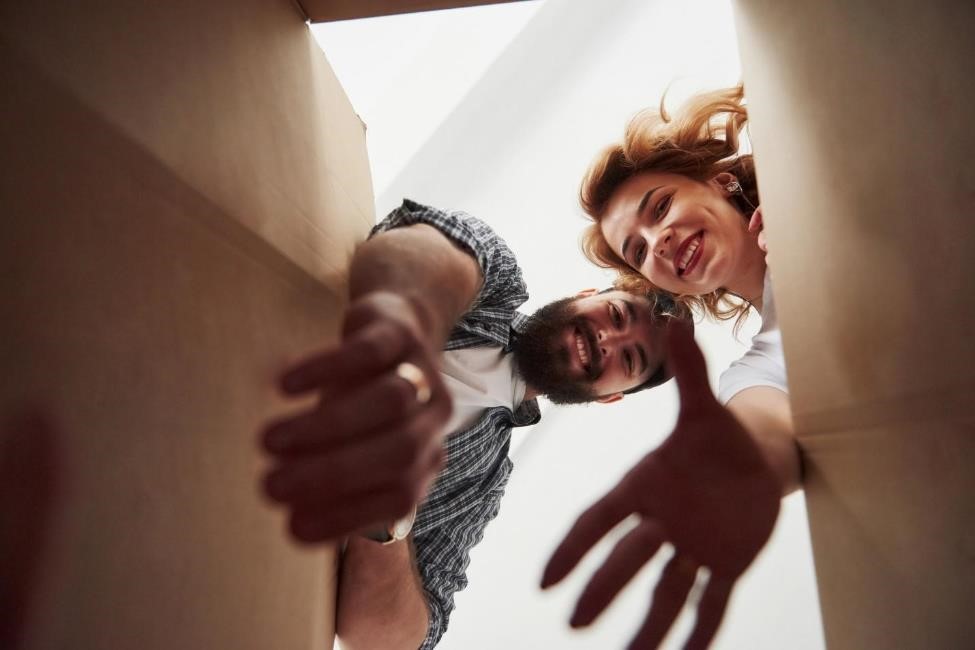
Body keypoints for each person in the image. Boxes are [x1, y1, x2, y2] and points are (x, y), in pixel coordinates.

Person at [259, 200, 685, 650]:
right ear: (587, 295)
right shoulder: (497, 285)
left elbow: (394, 641)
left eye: (629, 359)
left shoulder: (482, 483)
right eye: (617, 315)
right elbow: (420, 251)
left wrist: (385, 514)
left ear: (609, 397)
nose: (607, 339)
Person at [541, 84, 801, 648]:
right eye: (638, 251)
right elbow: (764, 428)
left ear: (720, 181)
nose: (656, 243)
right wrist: (738, 466)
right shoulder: (757, 368)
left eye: (659, 208)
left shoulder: (813, 173)